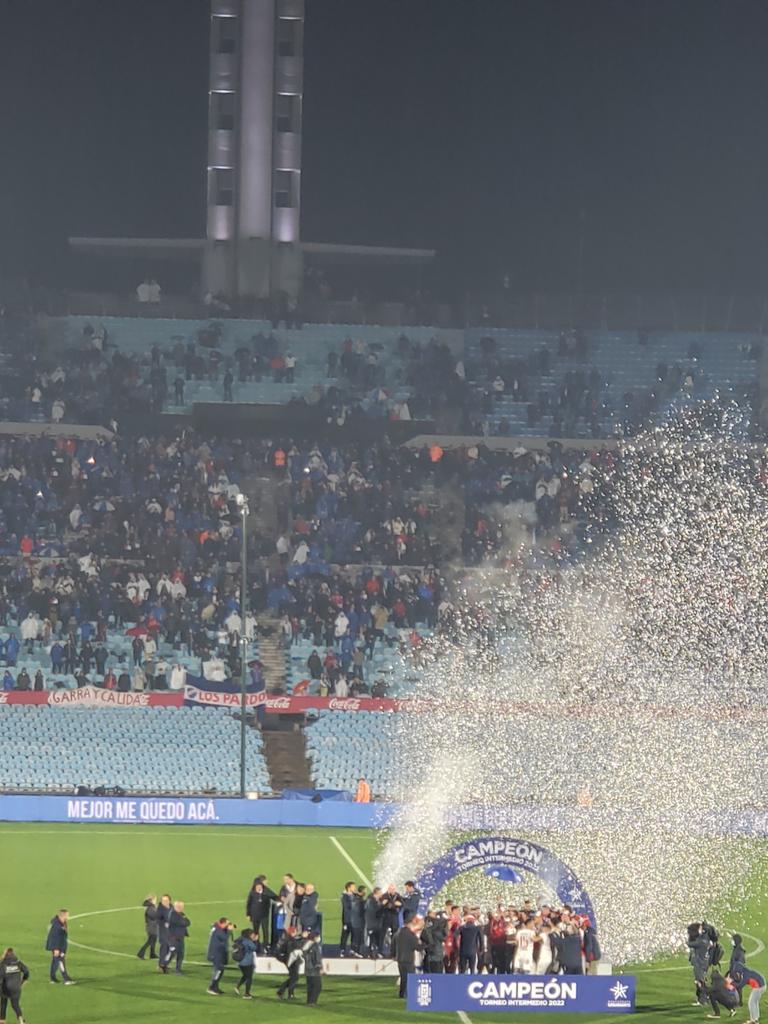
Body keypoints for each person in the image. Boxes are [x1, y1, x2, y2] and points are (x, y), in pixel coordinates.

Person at [393, 916, 423, 998]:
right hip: (408, 959)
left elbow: (393, 946)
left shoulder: (397, 933)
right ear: (410, 924)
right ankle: (410, 993)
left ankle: (402, 993)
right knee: (411, 977)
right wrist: (422, 944)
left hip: (400, 959)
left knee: (403, 977)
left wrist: (394, 955)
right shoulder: (411, 935)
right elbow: (417, 947)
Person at [45, 909, 75, 984]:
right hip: (58, 947)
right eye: (67, 915)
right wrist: (56, 949)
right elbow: (54, 937)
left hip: (60, 945)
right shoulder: (57, 926)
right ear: (63, 916)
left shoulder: (61, 922)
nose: (68, 916)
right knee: (61, 961)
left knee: (55, 961)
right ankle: (66, 979)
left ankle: (52, 978)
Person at [160, 900, 190, 975]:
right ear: (177, 907)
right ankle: (164, 964)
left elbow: (188, 922)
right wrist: (184, 920)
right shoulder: (173, 915)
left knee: (181, 954)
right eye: (181, 906)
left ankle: (178, 969)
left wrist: (184, 921)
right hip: (173, 938)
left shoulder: (181, 914)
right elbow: (183, 922)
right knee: (172, 953)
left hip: (180, 937)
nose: (182, 908)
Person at [0, 947, 29, 1023]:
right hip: (16, 987)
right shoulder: (18, 962)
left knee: (3, 1001)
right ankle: (21, 1019)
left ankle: (2, 1020)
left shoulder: (3, 964)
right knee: (15, 1004)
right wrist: (24, 980)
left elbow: (1, 976)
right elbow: (26, 971)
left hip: (6, 987)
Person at [206, 917, 233, 995]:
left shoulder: (216, 928)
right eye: (227, 924)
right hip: (216, 953)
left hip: (218, 952)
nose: (227, 925)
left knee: (220, 970)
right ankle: (211, 987)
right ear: (223, 923)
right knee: (218, 971)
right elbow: (224, 938)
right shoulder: (218, 930)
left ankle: (216, 987)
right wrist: (229, 931)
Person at [275, 926, 302, 1001]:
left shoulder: (287, 939)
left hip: (289, 961)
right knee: (294, 977)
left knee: (293, 977)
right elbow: (292, 953)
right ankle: (284, 992)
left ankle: (288, 993)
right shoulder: (291, 941)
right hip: (292, 961)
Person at [688, 923, 711, 1006]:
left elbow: (689, 944)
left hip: (700, 964)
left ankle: (703, 999)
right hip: (702, 963)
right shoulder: (705, 939)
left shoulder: (702, 941)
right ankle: (705, 998)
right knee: (701, 981)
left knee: (700, 982)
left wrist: (690, 936)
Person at [233, 928, 259, 1000]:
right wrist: (255, 941)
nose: (253, 935)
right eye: (252, 934)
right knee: (249, 978)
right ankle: (247, 994)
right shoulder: (248, 941)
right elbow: (255, 948)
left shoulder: (240, 940)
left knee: (245, 975)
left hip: (240, 962)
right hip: (247, 962)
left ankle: (237, 987)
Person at [246, 879, 272, 948]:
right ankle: (256, 944)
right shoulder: (252, 893)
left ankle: (266, 944)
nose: (259, 887)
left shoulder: (265, 893)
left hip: (264, 915)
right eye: (257, 886)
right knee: (255, 930)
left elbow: (269, 903)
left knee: (265, 930)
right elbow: (248, 904)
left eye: (260, 885)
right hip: (255, 915)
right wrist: (248, 914)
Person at [302, 930, 323, 1006]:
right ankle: (312, 1001)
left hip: (307, 968)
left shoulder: (306, 944)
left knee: (310, 986)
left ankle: (309, 1001)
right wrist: (319, 967)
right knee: (317, 986)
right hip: (314, 968)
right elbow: (317, 958)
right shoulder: (315, 946)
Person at [137, 895, 159, 959]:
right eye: (155, 900)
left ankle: (152, 954)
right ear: (151, 900)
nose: (156, 901)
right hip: (151, 927)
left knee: (153, 940)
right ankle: (140, 953)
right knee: (150, 941)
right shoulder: (150, 908)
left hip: (153, 926)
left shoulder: (151, 907)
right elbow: (154, 916)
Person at [365, 887, 383, 958]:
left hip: (377, 924)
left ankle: (376, 953)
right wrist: (382, 905)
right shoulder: (371, 901)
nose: (382, 894)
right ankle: (370, 954)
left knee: (377, 939)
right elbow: (374, 912)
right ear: (377, 893)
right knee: (371, 940)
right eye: (380, 892)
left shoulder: (376, 900)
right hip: (372, 924)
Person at [729, 934, 747, 1006]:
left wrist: (737, 972)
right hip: (734, 971)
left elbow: (740, 962)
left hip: (737, 972)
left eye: (732, 940)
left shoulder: (739, 951)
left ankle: (738, 1002)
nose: (731, 941)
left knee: (737, 987)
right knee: (734, 987)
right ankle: (737, 1001)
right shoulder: (736, 949)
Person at [340, 882, 356, 956]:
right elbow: (347, 906)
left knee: (354, 935)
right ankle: (342, 950)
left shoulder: (354, 896)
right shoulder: (344, 896)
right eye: (353, 887)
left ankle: (353, 950)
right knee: (345, 935)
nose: (354, 888)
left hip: (354, 920)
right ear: (349, 888)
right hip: (347, 919)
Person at [156, 893, 172, 967]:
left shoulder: (172, 907)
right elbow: (157, 920)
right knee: (164, 946)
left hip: (171, 932)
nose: (164, 902)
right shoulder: (160, 909)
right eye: (163, 900)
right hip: (163, 932)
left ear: (169, 901)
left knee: (170, 948)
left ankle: (165, 963)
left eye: (166, 900)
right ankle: (161, 964)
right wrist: (164, 923)